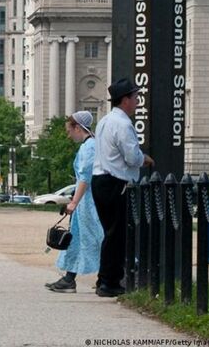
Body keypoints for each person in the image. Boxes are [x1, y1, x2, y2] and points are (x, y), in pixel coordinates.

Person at [91, 78, 154, 297]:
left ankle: (104, 279)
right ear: (125, 100)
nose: (137, 101)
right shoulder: (123, 124)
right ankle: (110, 282)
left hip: (100, 179)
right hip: (115, 181)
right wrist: (145, 158)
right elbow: (132, 156)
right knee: (117, 234)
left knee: (110, 232)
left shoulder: (104, 121)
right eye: (135, 97)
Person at [46, 111, 104, 293]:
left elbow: (85, 178)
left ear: (78, 128)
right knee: (79, 238)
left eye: (69, 131)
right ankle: (70, 278)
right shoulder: (92, 145)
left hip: (89, 203)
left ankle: (120, 274)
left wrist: (73, 203)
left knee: (98, 236)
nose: (68, 135)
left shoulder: (89, 147)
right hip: (87, 201)